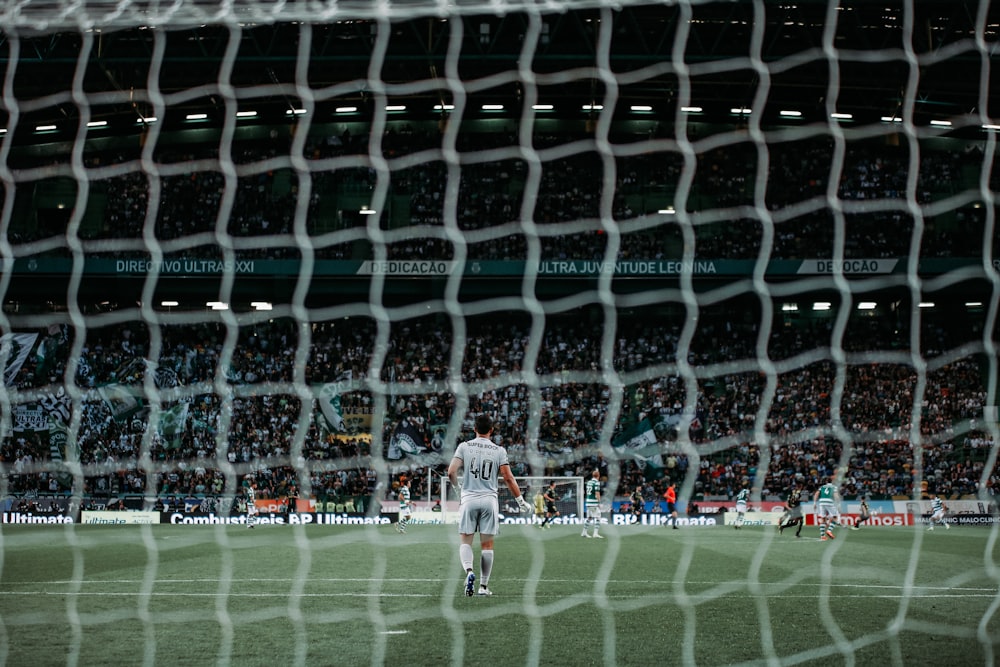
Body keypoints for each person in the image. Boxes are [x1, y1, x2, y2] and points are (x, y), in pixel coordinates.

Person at [447, 414, 529, 597]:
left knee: (465, 541)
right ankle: (483, 587)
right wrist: (520, 501)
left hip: (468, 498)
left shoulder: (464, 446)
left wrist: (457, 489)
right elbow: (508, 477)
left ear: (474, 429)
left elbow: (451, 471)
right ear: (492, 430)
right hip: (489, 501)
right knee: (487, 545)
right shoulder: (499, 450)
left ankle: (469, 572)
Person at [814, 476, 841, 541]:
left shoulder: (822, 487)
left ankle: (822, 536)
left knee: (823, 518)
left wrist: (814, 503)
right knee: (835, 517)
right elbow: (836, 496)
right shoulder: (834, 487)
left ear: (826, 482)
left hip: (821, 502)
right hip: (829, 502)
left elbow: (816, 494)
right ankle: (829, 530)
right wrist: (839, 504)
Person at [582, 469, 604, 539]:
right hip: (593, 503)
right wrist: (599, 502)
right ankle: (595, 533)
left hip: (588, 502)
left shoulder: (589, 482)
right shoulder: (596, 482)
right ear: (598, 476)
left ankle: (584, 532)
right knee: (598, 517)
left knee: (589, 517)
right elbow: (597, 493)